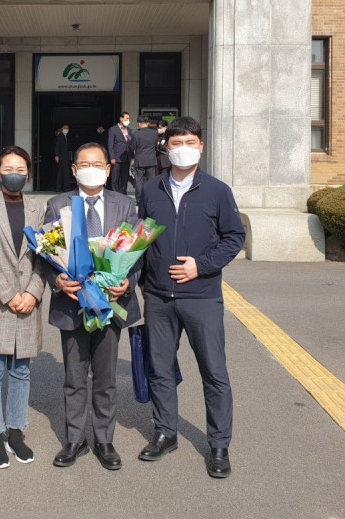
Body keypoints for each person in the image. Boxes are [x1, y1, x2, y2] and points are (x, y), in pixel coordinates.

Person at [136, 117, 245, 479]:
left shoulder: (217, 191)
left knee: (213, 370)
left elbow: (234, 237)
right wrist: (134, 280)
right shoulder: (150, 189)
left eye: (190, 142)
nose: (183, 148)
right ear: (165, 147)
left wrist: (201, 265)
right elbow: (140, 237)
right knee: (159, 368)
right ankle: (165, 432)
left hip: (201, 295)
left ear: (201, 147)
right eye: (176, 142)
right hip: (158, 296)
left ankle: (219, 445)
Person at [43, 142, 141, 471]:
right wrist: (56, 280)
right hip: (72, 303)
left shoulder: (124, 205)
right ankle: (74, 439)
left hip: (110, 303)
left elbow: (137, 254)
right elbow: (43, 253)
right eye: (84, 164)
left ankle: (104, 439)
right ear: (74, 170)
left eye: (97, 164)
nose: (91, 169)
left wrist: (129, 282)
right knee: (74, 377)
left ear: (108, 169)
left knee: (105, 378)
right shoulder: (58, 204)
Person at [0, 146, 46, 469]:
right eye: (9, 169)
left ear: (28, 174)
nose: (15, 174)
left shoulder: (38, 209)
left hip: (28, 301)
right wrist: (9, 295)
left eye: (21, 169)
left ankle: (15, 431)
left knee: (21, 372)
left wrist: (33, 292)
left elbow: (47, 254)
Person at [130, 116, 159, 203]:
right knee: (151, 180)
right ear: (148, 123)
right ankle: (151, 198)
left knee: (138, 180)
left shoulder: (135, 134)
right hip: (151, 159)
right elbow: (156, 146)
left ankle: (139, 200)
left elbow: (132, 148)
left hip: (139, 160)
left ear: (139, 123)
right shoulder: (154, 133)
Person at [107, 111, 133, 194]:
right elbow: (110, 145)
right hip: (116, 158)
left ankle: (123, 194)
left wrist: (132, 156)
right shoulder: (113, 130)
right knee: (115, 178)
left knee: (125, 177)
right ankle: (114, 194)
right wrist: (112, 157)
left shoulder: (129, 130)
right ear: (121, 119)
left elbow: (130, 143)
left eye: (129, 119)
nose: (128, 120)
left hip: (126, 157)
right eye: (126, 118)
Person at [54, 123, 73, 192]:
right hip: (62, 157)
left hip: (63, 157)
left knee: (60, 173)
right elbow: (57, 146)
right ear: (62, 129)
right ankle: (66, 188)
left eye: (67, 128)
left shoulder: (65, 136)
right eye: (65, 128)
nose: (66, 129)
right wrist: (56, 155)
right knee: (65, 172)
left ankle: (58, 188)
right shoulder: (60, 136)